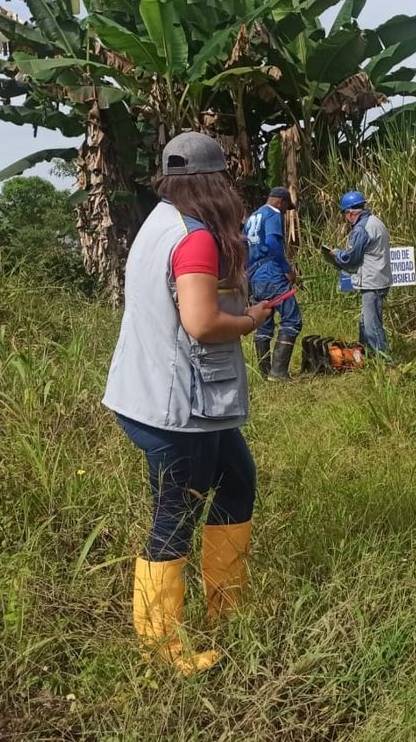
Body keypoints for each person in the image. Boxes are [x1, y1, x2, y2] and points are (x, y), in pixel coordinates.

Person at [103, 131, 272, 674]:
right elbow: (202, 323)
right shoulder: (195, 237)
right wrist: (251, 319)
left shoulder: (159, 221)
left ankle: (228, 612)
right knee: (176, 514)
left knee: (237, 481)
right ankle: (161, 648)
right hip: (177, 406)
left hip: (162, 394)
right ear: (214, 181)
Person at [325, 191, 393, 358]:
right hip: (380, 278)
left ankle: (384, 361)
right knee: (365, 321)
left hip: (371, 282)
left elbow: (351, 258)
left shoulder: (362, 229)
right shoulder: (376, 221)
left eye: (345, 214)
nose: (346, 218)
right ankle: (364, 356)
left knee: (371, 325)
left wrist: (335, 254)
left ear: (350, 213)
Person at [243, 186, 301, 380]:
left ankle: (264, 372)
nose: (285, 212)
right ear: (280, 201)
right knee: (292, 320)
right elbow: (272, 243)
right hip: (271, 272)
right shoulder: (273, 213)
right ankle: (278, 372)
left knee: (264, 321)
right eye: (286, 207)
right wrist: (287, 269)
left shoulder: (252, 217)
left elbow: (243, 246)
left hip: (255, 275)